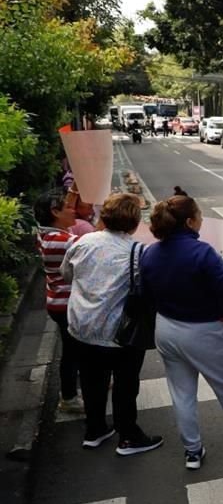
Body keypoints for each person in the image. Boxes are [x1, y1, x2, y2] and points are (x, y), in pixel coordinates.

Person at [140, 189, 223, 470]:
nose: (202, 219)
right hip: (203, 331)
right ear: (190, 222)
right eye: (200, 215)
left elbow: (146, 293)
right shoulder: (202, 252)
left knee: (181, 392)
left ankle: (192, 451)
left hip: (165, 328)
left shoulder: (150, 253)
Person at [60, 193, 164, 455]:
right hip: (120, 333)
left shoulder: (83, 242)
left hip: (82, 327)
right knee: (125, 385)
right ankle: (128, 435)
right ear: (133, 222)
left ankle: (94, 430)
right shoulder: (138, 252)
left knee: (92, 382)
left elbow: (66, 274)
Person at [35, 189, 83, 413]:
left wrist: (72, 193)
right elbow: (94, 243)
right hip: (66, 304)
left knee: (77, 346)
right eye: (68, 207)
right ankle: (70, 398)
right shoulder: (62, 240)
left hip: (57, 300)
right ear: (55, 212)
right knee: (72, 352)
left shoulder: (46, 233)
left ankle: (80, 385)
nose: (74, 210)